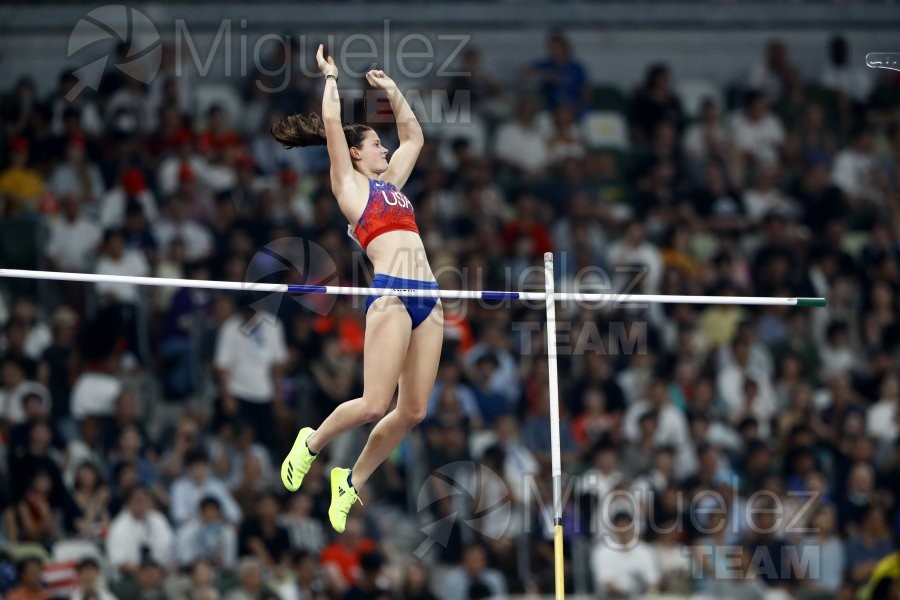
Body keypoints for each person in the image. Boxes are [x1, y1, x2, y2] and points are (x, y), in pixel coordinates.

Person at [271, 44, 442, 534]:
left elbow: (414, 137)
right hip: (392, 294)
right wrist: (330, 76)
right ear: (354, 153)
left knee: (413, 411)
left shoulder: (393, 184)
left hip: (429, 298)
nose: (384, 150)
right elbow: (331, 121)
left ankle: (351, 480)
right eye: (376, 144)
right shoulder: (350, 187)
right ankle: (311, 444)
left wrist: (392, 90)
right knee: (372, 404)